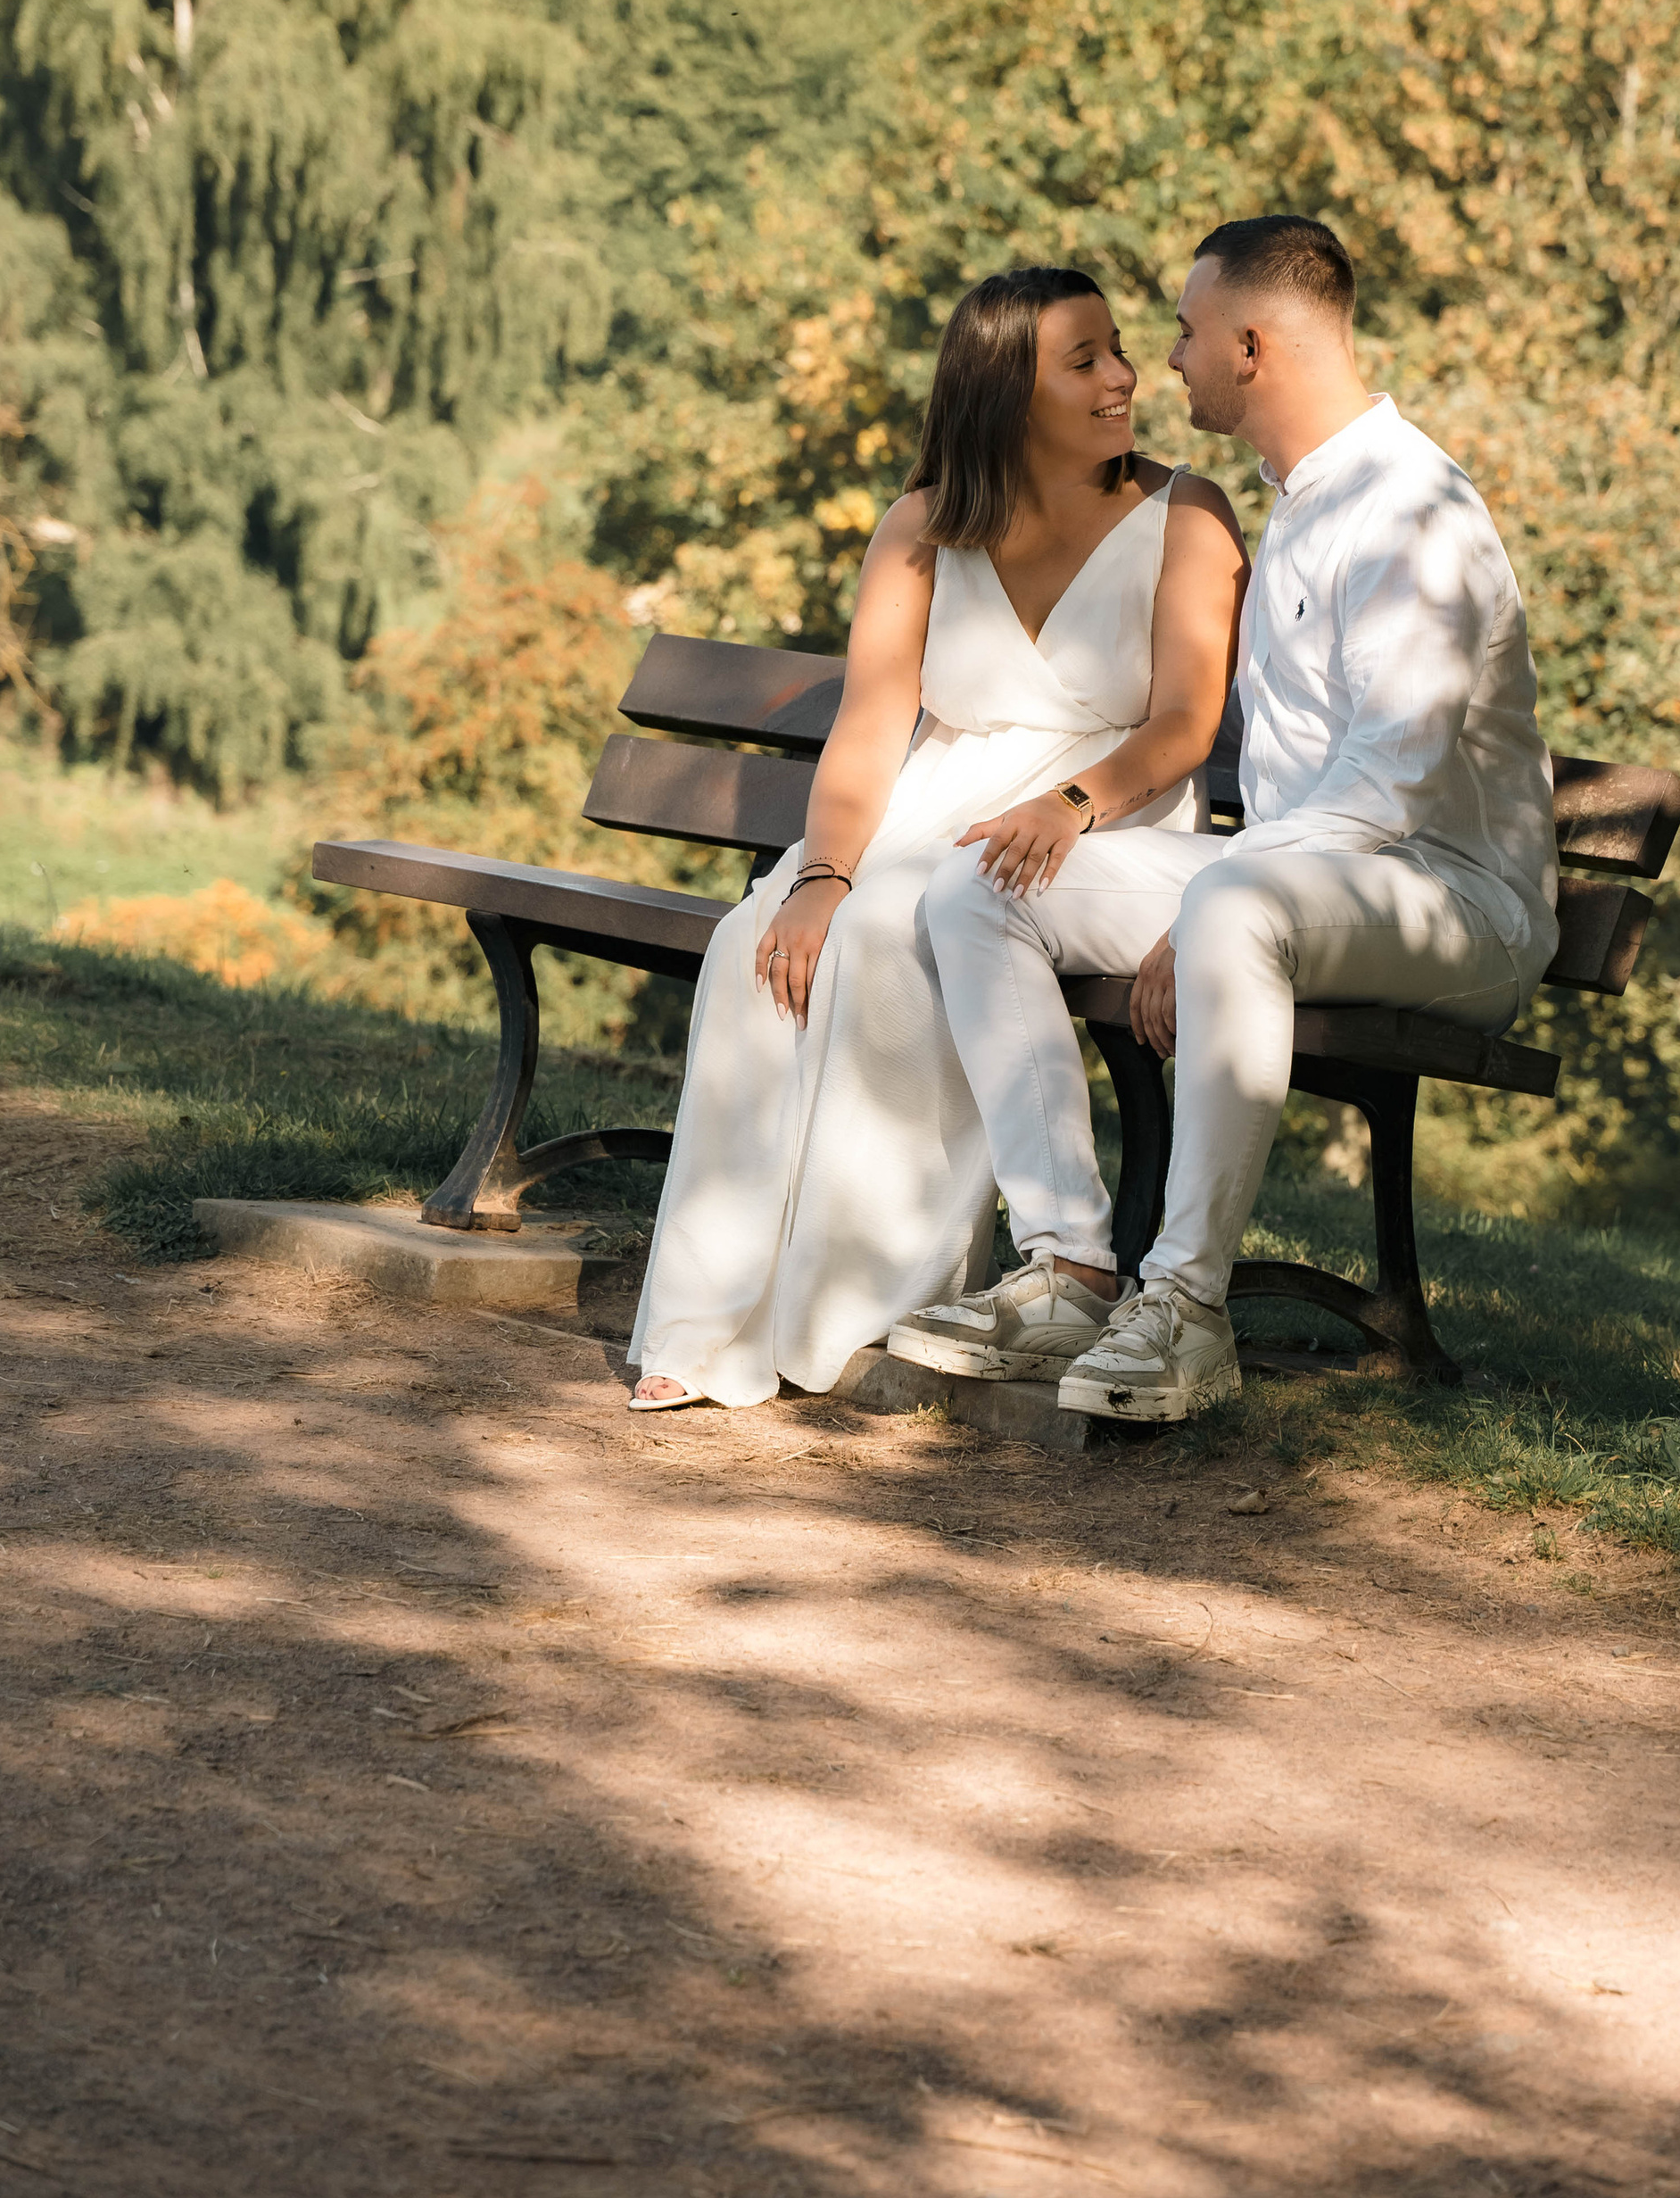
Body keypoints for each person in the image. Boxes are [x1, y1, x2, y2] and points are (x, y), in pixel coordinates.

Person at [895, 215, 1560, 1422]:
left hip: (1456, 903)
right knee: (981, 883)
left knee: (1238, 905)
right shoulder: (1297, 499)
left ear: (1250, 347)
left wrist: (1208, 901)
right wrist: (1206, 887)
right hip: (1292, 880)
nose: (1167, 359)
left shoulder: (1413, 512)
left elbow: (1391, 781)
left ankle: (1186, 1310)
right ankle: (1070, 1269)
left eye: (1186, 331)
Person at [624, 265, 1247, 1410]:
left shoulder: (1187, 516)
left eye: (1119, 349)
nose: (1124, 377)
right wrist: (820, 875)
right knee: (763, 945)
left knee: (897, 936)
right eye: (1086, 361)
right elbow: (871, 724)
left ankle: (860, 1307)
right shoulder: (922, 525)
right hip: (930, 802)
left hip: (1097, 818)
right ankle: (710, 1317)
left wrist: (1070, 806)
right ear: (1006, 391)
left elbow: (1183, 725)